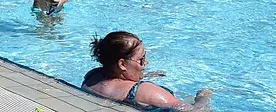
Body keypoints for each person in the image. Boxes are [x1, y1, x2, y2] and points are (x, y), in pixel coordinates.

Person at [82, 31, 213, 111]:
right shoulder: (144, 90)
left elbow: (119, 83)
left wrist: (146, 76)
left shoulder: (92, 76)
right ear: (122, 64)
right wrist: (202, 99)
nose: (146, 62)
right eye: (141, 59)